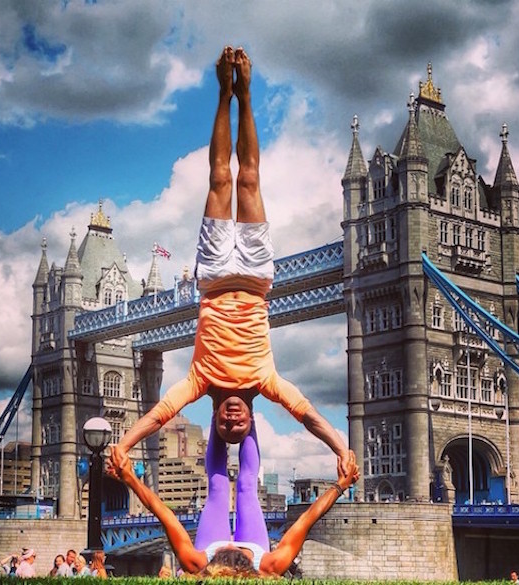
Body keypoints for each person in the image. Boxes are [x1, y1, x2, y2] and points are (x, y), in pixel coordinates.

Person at [113, 45, 350, 478]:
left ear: (217, 418)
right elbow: (309, 415)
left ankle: (224, 93)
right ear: (252, 419)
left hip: (216, 275)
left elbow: (160, 415)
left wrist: (124, 444)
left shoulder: (199, 381)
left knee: (221, 177)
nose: (232, 421)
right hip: (258, 278)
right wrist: (340, 447)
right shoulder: (267, 380)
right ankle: (248, 95)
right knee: (250, 178)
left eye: (226, 426)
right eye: (239, 426)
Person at [108, 423, 358, 577]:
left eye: (223, 552)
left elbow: (163, 514)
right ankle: (247, 410)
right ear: (248, 562)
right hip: (256, 545)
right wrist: (339, 486)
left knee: (218, 486)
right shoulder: (269, 565)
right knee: (247, 486)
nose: (229, 544)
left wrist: (130, 479)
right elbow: (307, 519)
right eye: (235, 551)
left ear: (212, 563)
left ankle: (219, 409)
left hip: (210, 542)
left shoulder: (198, 562)